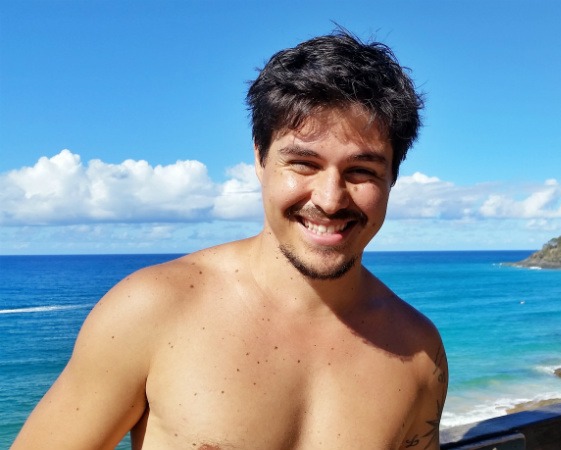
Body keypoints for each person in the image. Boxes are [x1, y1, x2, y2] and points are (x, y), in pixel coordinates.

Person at [12, 30, 448, 450]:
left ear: (392, 177)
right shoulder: (153, 309)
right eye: (303, 164)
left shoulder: (418, 354)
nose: (331, 199)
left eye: (361, 171)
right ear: (259, 159)